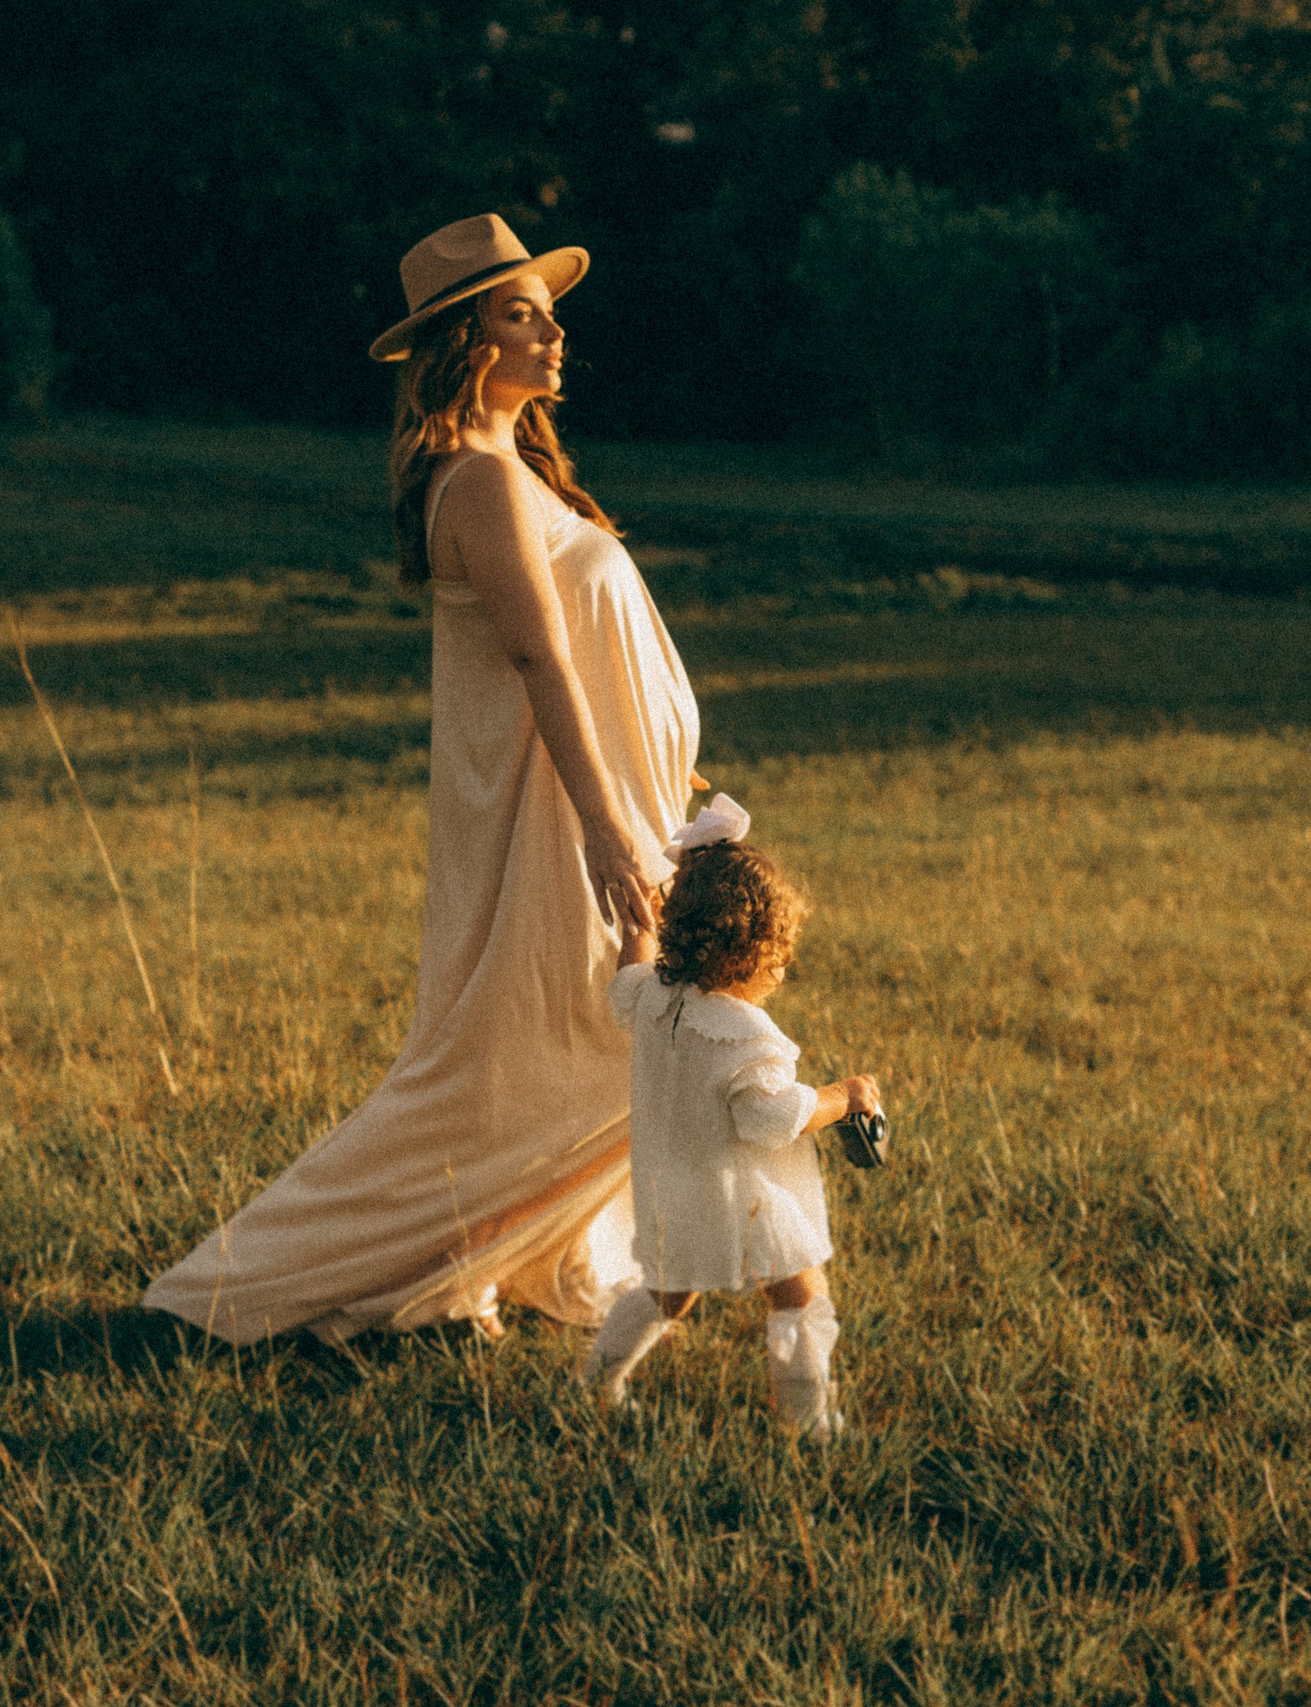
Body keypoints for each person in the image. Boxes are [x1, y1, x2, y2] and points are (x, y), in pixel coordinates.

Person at [142, 213, 704, 1344]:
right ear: (465, 342)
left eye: (549, 311)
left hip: (608, 810)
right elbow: (542, 658)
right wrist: (604, 828)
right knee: (535, 1063)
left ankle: (494, 1263)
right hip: (559, 825)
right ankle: (224, 1289)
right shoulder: (479, 484)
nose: (550, 332)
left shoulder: (518, 474)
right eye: (518, 314)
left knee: (596, 1051)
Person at [576, 794, 882, 1436]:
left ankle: (596, 1384)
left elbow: (625, 985)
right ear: (755, 953)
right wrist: (843, 1097)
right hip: (747, 1196)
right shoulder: (746, 1036)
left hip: (669, 1189)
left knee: (668, 1293)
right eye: (779, 957)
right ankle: (811, 1422)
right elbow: (772, 1118)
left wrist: (638, 936)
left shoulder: (656, 999)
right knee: (799, 1293)